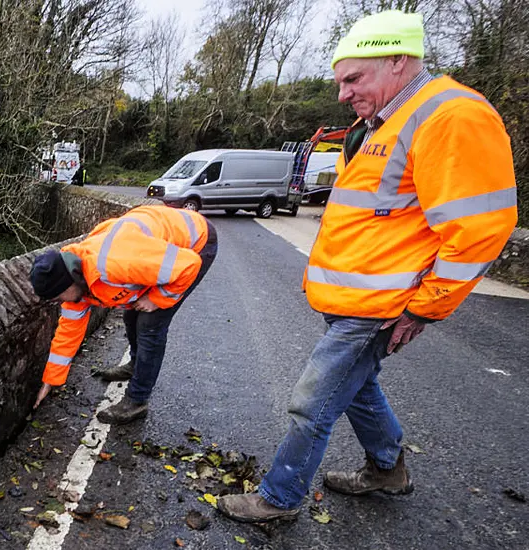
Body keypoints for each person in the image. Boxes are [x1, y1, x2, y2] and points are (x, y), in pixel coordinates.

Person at [217, 10, 518, 522]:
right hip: (355, 301)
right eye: (341, 81)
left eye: (353, 78)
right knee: (356, 387)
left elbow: (479, 230)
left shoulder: (451, 116)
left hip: (379, 307)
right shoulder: (385, 120)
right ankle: (387, 468)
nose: (342, 94)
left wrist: (425, 309)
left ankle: (279, 498)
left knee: (312, 403)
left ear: (398, 60)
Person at [29, 205, 218, 424]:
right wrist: (50, 381)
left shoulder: (114, 263)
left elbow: (188, 266)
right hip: (157, 254)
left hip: (196, 243)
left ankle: (136, 401)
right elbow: (68, 333)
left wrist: (156, 299)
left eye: (58, 296)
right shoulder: (75, 282)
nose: (59, 302)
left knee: (150, 324)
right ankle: (136, 365)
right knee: (131, 314)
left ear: (69, 281)